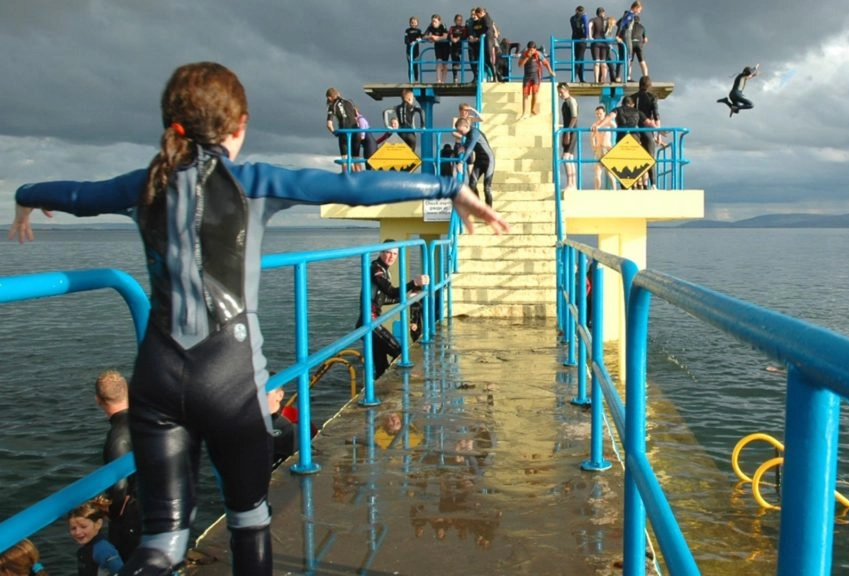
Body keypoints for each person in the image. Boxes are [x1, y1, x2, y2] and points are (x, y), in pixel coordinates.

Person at [9, 61, 508, 576]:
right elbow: (353, 187)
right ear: (239, 126)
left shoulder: (142, 185)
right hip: (230, 384)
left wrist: (26, 198)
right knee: (248, 519)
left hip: (157, 384)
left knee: (164, 540)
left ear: (171, 123)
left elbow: (75, 194)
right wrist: (449, 188)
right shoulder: (252, 182)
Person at [356, 243, 430, 379]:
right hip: (369, 322)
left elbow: (385, 299)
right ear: (380, 252)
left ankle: (383, 394)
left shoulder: (385, 271)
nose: (392, 256)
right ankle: (405, 381)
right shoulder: (375, 269)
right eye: (388, 252)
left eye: (395, 254)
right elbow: (390, 291)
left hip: (371, 321)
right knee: (399, 352)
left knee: (381, 366)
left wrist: (407, 298)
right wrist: (414, 283)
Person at [94, 369, 141, 560]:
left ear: (98, 400)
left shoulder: (117, 437)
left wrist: (110, 513)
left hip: (134, 517)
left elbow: (119, 488)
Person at [68, 497, 124, 576]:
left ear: (98, 524)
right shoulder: (86, 549)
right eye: (73, 528)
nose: (77, 532)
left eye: (83, 527)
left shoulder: (103, 549)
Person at [455, 117, 495, 207]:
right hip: (479, 161)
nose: (460, 134)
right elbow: (467, 144)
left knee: (487, 188)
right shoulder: (468, 135)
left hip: (489, 161)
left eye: (461, 131)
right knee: (472, 184)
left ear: (466, 126)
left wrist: (461, 162)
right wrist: (463, 146)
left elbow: (471, 147)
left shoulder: (474, 132)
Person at [632, 75, 660, 188]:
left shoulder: (632, 97)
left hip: (634, 129)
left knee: (635, 156)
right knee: (650, 157)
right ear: (649, 85)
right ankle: (652, 184)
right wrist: (659, 134)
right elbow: (657, 116)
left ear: (639, 85)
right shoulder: (652, 97)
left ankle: (635, 183)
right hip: (647, 129)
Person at [517, 41, 555, 119]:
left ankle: (532, 108)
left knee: (535, 93)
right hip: (527, 76)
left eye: (532, 50)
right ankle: (524, 113)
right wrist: (527, 57)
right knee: (525, 95)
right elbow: (520, 65)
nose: (531, 51)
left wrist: (550, 71)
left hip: (536, 76)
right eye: (529, 50)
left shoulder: (538, 54)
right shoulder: (524, 53)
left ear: (535, 49)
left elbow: (546, 63)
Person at [325, 87, 359, 171]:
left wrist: (334, 133)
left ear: (329, 97)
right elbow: (357, 115)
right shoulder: (349, 102)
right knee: (356, 160)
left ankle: (346, 179)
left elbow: (329, 124)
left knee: (345, 160)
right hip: (356, 130)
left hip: (344, 132)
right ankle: (359, 180)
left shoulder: (332, 106)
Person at [558, 83, 579, 189]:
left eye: (561, 92)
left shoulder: (571, 101)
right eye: (559, 93)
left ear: (566, 90)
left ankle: (571, 183)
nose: (560, 94)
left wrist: (568, 132)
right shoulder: (564, 103)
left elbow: (574, 117)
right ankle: (572, 183)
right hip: (568, 130)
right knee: (569, 157)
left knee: (566, 157)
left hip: (572, 131)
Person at [590, 105, 614, 189]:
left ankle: (614, 191)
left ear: (604, 113)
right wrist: (594, 147)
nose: (599, 115)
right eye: (597, 114)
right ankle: (597, 191)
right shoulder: (594, 124)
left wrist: (607, 119)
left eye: (600, 113)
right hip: (599, 149)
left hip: (607, 148)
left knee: (610, 173)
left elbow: (615, 126)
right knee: (597, 173)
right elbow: (592, 137)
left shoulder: (608, 122)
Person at [424, 14, 449, 83]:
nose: (433, 23)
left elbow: (445, 36)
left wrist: (436, 38)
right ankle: (438, 80)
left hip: (445, 45)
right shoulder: (430, 26)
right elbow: (424, 36)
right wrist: (431, 37)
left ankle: (443, 81)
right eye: (432, 21)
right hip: (438, 45)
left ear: (439, 21)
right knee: (438, 62)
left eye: (435, 21)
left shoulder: (442, 25)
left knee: (444, 64)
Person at [569, 6, 590, 83]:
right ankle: (574, 78)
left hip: (574, 39)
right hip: (582, 40)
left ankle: (580, 78)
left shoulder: (572, 18)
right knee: (580, 59)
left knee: (579, 58)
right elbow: (586, 27)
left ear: (576, 10)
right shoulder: (584, 17)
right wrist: (586, 36)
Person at [589, 7, 609, 84]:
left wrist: (590, 37)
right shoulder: (606, 20)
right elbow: (608, 31)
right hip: (604, 42)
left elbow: (589, 26)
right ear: (603, 13)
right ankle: (604, 80)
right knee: (603, 62)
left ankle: (596, 80)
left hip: (595, 41)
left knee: (596, 62)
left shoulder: (593, 19)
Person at [354, 105, 377, 170]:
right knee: (367, 163)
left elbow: (362, 135)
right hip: (367, 145)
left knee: (369, 165)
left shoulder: (361, 119)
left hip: (370, 144)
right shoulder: (358, 120)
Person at [448, 14, 469, 82]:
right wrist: (452, 39)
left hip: (460, 46)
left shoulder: (463, 28)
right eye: (458, 20)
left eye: (460, 20)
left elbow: (465, 35)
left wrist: (458, 38)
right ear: (455, 20)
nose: (459, 21)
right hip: (453, 46)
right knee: (454, 62)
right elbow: (449, 34)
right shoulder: (452, 28)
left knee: (457, 58)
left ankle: (457, 64)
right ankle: (455, 77)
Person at [403, 16, 423, 82]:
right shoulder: (407, 30)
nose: (413, 24)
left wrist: (419, 39)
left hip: (416, 51)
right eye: (412, 22)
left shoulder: (419, 31)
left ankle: (416, 80)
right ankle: (410, 81)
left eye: (415, 22)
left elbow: (422, 37)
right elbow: (405, 40)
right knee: (410, 65)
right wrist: (410, 43)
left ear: (417, 23)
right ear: (410, 23)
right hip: (409, 50)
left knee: (415, 65)